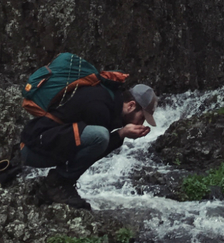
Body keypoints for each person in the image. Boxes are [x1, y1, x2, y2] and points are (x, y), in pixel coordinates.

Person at [19, 83, 157, 209]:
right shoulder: (100, 108)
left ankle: (61, 182)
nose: (141, 123)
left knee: (100, 136)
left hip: (39, 143)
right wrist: (121, 134)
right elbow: (98, 146)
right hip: (33, 150)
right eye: (142, 117)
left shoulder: (109, 100)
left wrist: (122, 133)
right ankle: (57, 184)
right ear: (131, 105)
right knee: (100, 136)